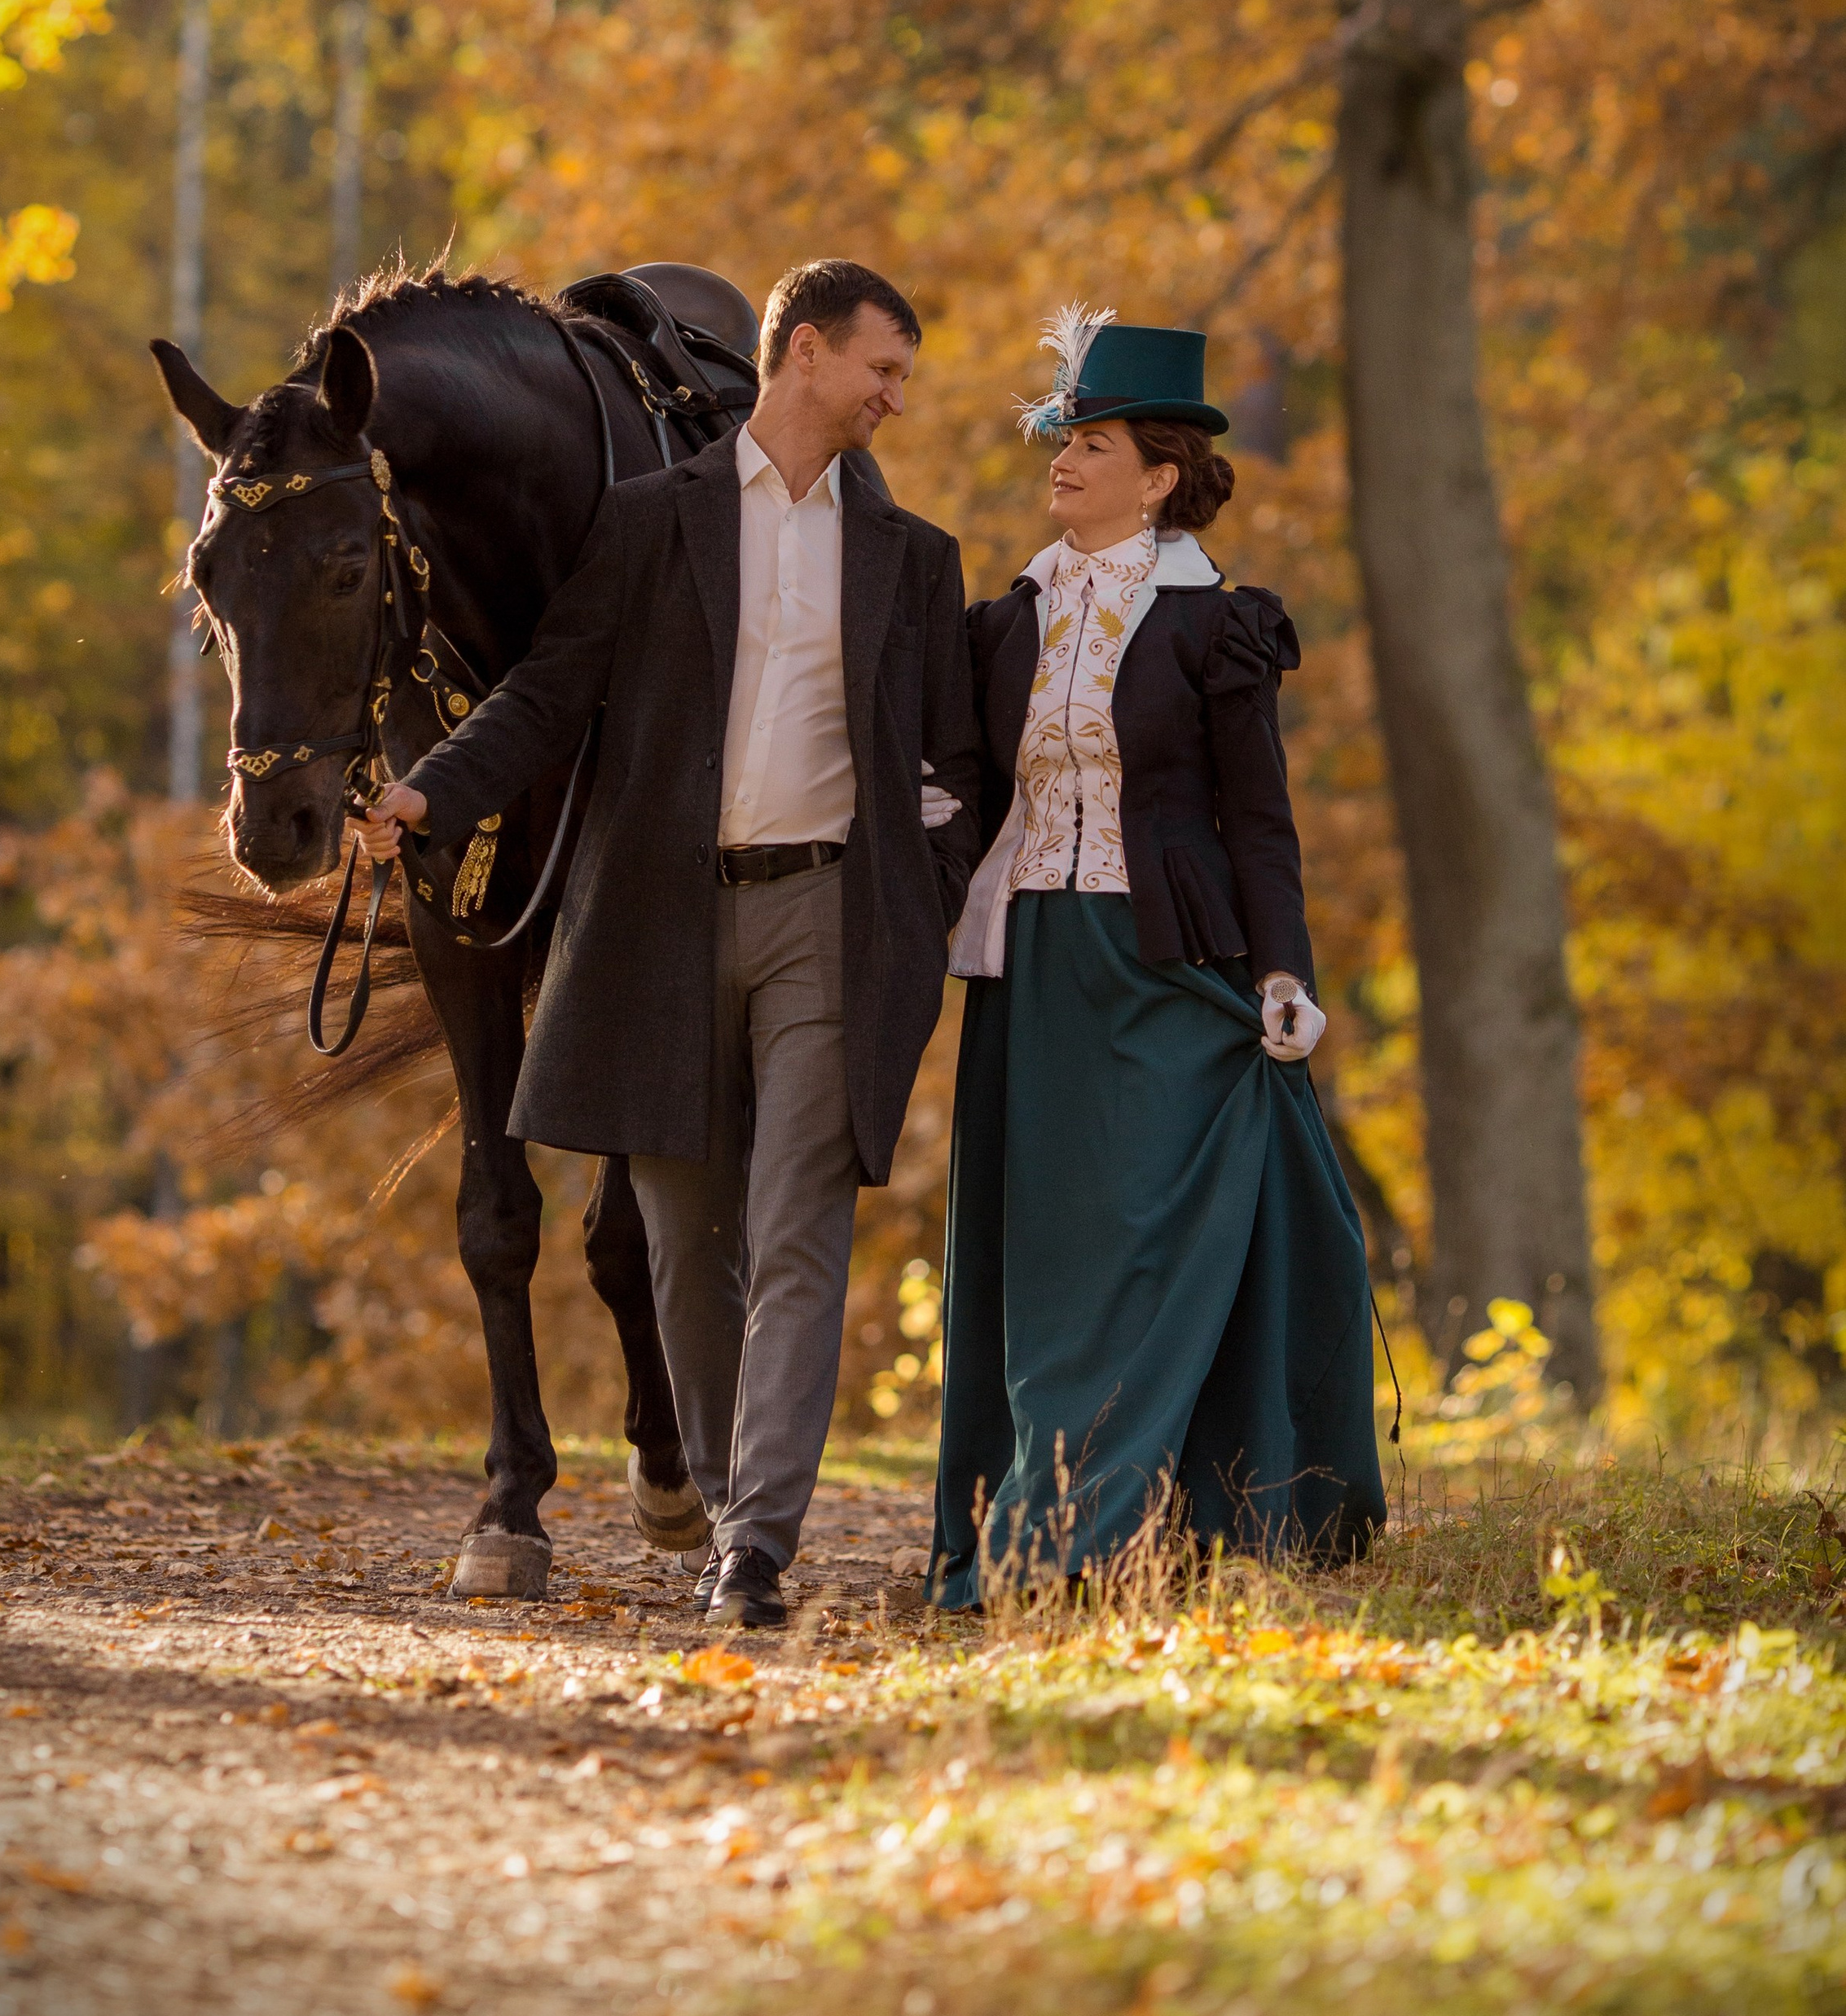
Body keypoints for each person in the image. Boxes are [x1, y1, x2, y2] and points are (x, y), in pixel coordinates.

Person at [356, 259, 981, 1628]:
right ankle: (712, 1490)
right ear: (803, 353)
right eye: (882, 368)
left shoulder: (910, 556)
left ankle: (753, 1542)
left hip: (829, 916)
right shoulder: (650, 523)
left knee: (799, 1221)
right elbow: (546, 691)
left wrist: (918, 900)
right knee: (688, 1239)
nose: (894, 397)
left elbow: (953, 764)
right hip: (659, 921)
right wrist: (426, 791)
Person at [930, 310, 1385, 1609]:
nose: (1064, 461)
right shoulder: (1005, 620)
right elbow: (964, 786)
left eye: (1096, 441)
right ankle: (1021, 1522)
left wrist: (1282, 974)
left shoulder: (1215, 626)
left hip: (1169, 970)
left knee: (1137, 1256)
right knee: (1036, 1257)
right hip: (1031, 967)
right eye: (1064, 438)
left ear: (1163, 472)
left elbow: (1259, 821)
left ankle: (1069, 1537)